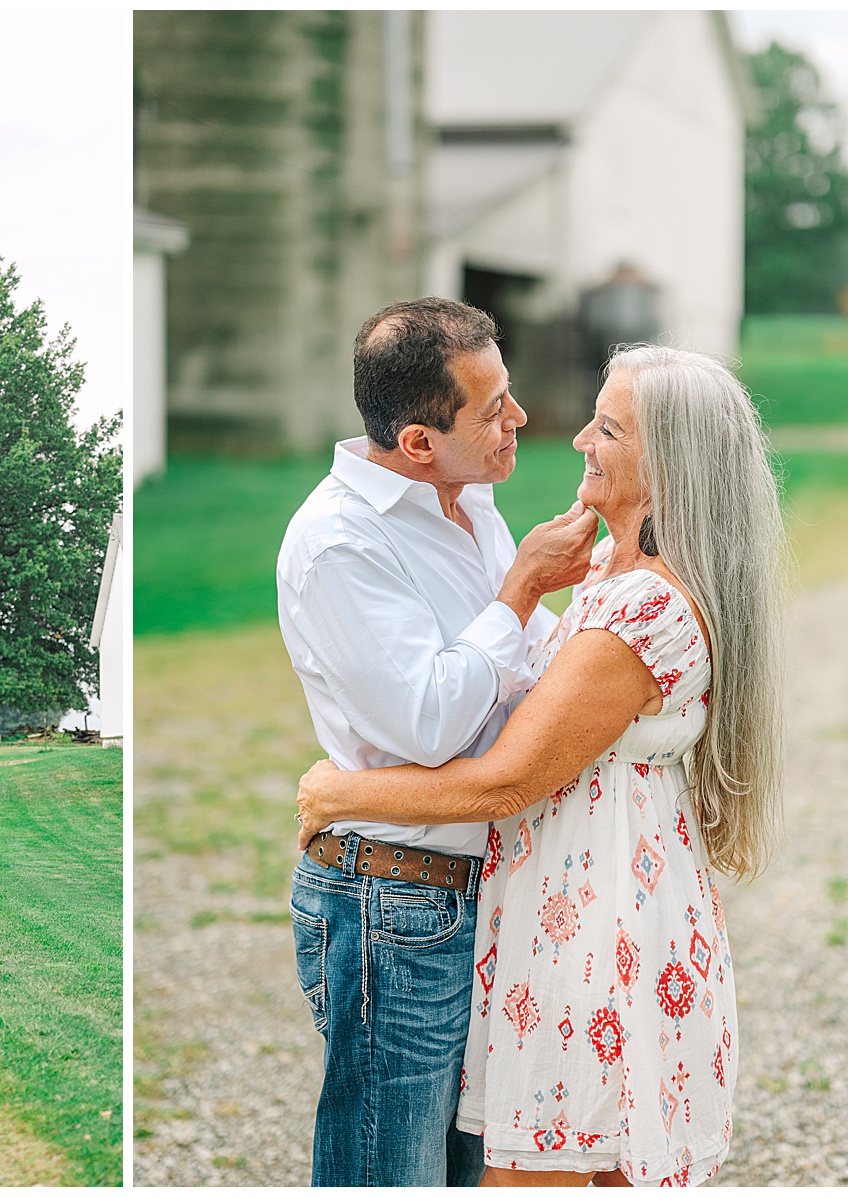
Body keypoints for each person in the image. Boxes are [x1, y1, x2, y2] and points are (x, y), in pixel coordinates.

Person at [296, 344, 785, 1186]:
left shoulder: (645, 606)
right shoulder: (603, 566)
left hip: (596, 927)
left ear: (665, 462)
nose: (575, 440)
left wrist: (340, 791)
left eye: (607, 429)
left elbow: (509, 778)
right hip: (576, 907)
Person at [276, 297, 600, 1186]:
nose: (520, 420)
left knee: (466, 1165)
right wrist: (523, 589)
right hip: (394, 900)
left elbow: (521, 668)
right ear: (419, 441)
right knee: (390, 1168)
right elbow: (429, 723)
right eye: (493, 408)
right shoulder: (341, 543)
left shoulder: (470, 504)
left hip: (476, 888)